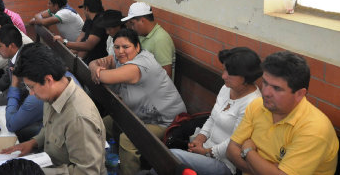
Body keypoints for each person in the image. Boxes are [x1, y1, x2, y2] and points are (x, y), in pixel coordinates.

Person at [0, 42, 107, 174]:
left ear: (48, 80)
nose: (31, 93)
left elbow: (88, 172)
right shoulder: (53, 94)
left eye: (32, 87)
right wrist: (33, 143)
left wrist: (40, 173)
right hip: (50, 162)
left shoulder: (79, 118)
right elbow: (50, 127)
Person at [89, 28, 186, 174]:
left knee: (128, 139)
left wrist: (97, 70)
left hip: (166, 121)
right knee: (100, 124)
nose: (120, 51)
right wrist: (94, 67)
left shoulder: (140, 64)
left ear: (137, 47)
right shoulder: (121, 58)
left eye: (126, 47)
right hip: (140, 115)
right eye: (117, 47)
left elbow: (105, 77)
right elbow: (94, 63)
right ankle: (97, 164)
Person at [226, 51, 339, 175]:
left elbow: (238, 150)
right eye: (265, 82)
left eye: (277, 88)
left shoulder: (314, 129)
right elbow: (231, 151)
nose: (266, 92)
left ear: (300, 94)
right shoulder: (257, 105)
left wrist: (248, 151)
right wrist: (269, 169)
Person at [167, 47, 262, 175]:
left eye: (230, 73)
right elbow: (212, 117)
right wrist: (200, 138)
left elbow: (234, 141)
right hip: (205, 149)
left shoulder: (253, 103)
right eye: (224, 70)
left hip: (225, 163)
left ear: (246, 76)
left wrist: (207, 152)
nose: (223, 76)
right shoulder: (226, 88)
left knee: (173, 156)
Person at [121, 2, 175, 78]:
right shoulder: (142, 34)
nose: (132, 28)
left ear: (142, 20)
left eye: (133, 23)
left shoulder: (160, 39)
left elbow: (165, 76)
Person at [53, 0, 108, 64]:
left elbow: (88, 46)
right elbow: (81, 37)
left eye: (84, 9)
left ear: (87, 8)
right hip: (86, 58)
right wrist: (72, 53)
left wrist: (64, 42)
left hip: (96, 61)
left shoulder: (100, 22)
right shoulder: (89, 20)